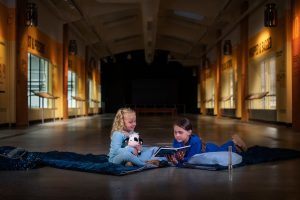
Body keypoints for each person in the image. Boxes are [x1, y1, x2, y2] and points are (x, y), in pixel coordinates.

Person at [167, 117, 247, 165]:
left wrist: (179, 160)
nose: (177, 135)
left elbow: (192, 158)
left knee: (223, 150)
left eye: (180, 132)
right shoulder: (176, 140)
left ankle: (233, 142)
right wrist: (173, 157)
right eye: (175, 132)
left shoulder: (195, 141)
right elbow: (176, 152)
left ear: (189, 132)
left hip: (209, 149)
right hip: (202, 151)